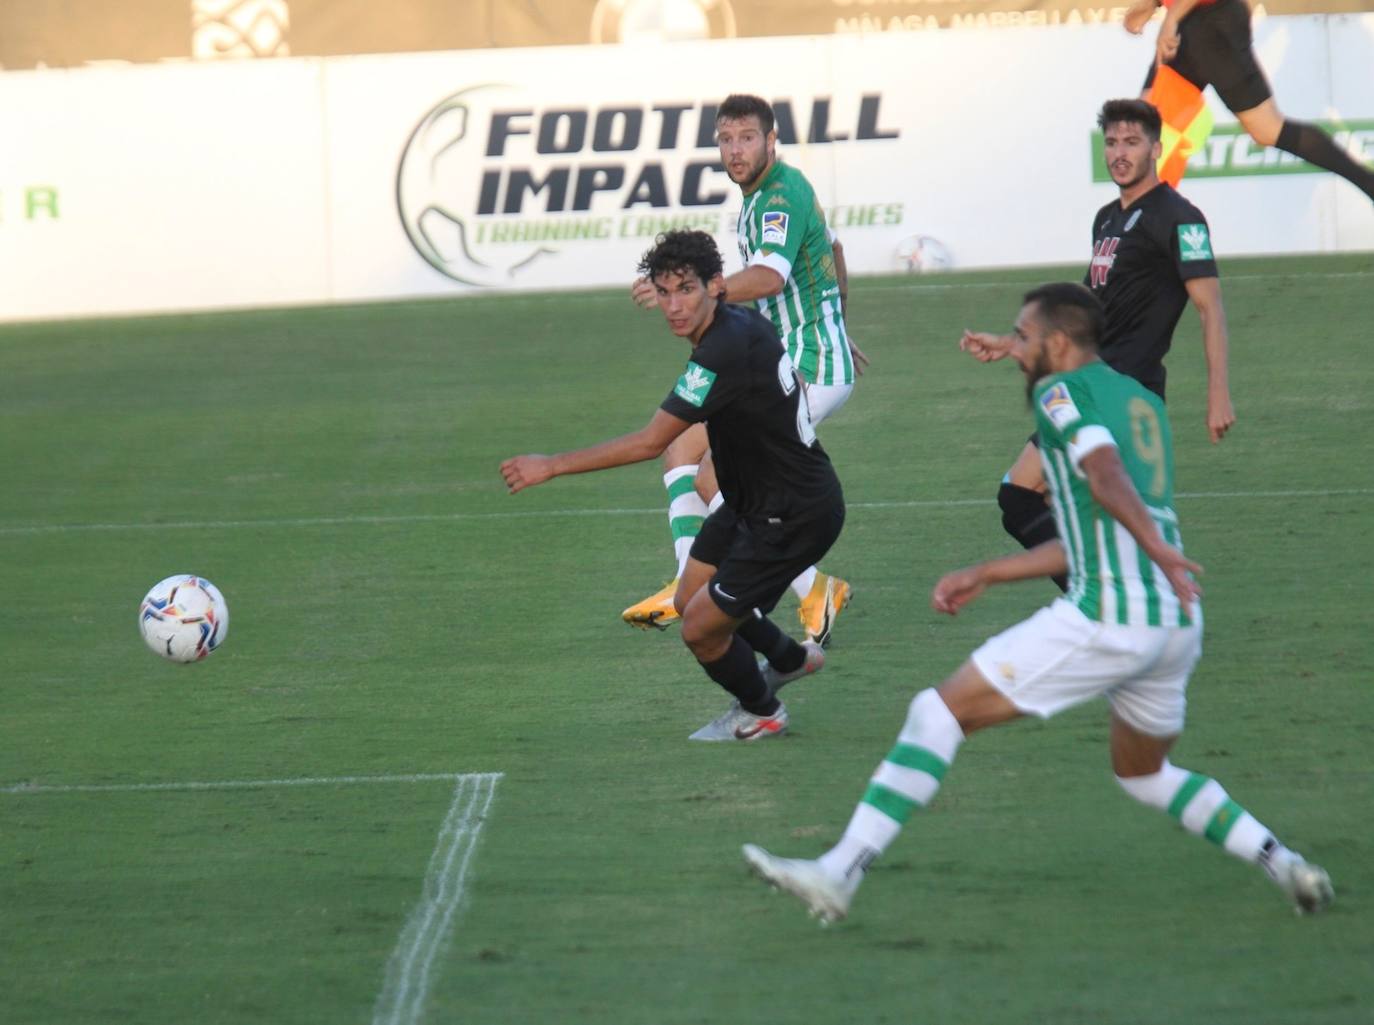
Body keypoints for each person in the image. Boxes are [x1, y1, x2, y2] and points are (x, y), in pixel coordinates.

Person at [742, 282, 1333, 921]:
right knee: (1144, 774)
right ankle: (1285, 863)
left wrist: (1155, 550)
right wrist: (991, 572)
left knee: (936, 714)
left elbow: (1104, 477)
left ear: (1057, 343)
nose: (1014, 349)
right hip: (1176, 622)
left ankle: (839, 872)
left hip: (1112, 617)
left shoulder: (1059, 394)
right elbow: (1095, 528)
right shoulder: (1140, 399)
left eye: (1023, 337)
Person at [501, 229, 843, 741]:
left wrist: (551, 465)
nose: (674, 306)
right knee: (690, 597)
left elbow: (649, 442)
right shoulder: (741, 324)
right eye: (663, 292)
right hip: (754, 502)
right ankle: (789, 657)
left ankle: (762, 708)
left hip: (790, 514)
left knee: (700, 630)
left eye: (686, 290)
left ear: (716, 286)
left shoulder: (720, 352)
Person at [621, 93, 866, 646]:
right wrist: (840, 321)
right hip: (795, 355)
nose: (736, 150)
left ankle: (812, 590)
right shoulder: (764, 195)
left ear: (771, 139)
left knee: (718, 478)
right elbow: (834, 248)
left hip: (809, 366)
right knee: (681, 448)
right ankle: (688, 586)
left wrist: (697, 287)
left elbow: (772, 277)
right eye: (727, 139)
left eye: (747, 138)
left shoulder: (778, 196)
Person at [961, 99, 1232, 587]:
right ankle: (1111, 597)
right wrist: (1013, 342)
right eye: (1111, 142)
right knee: (1058, 503)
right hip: (1091, 384)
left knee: (1022, 495)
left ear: (1156, 147)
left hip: (1122, 388)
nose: (1119, 153)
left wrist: (1218, 394)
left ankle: (1098, 601)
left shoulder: (1179, 218)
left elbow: (1210, 307)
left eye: (1131, 142)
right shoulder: (1107, 217)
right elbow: (1083, 307)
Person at [1124, 0, 1374, 201]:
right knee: (1147, 124)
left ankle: (1147, 228)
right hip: (1194, 22)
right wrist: (1152, 4)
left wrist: (1170, 18)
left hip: (1212, 20)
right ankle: (1146, 229)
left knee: (1267, 128)